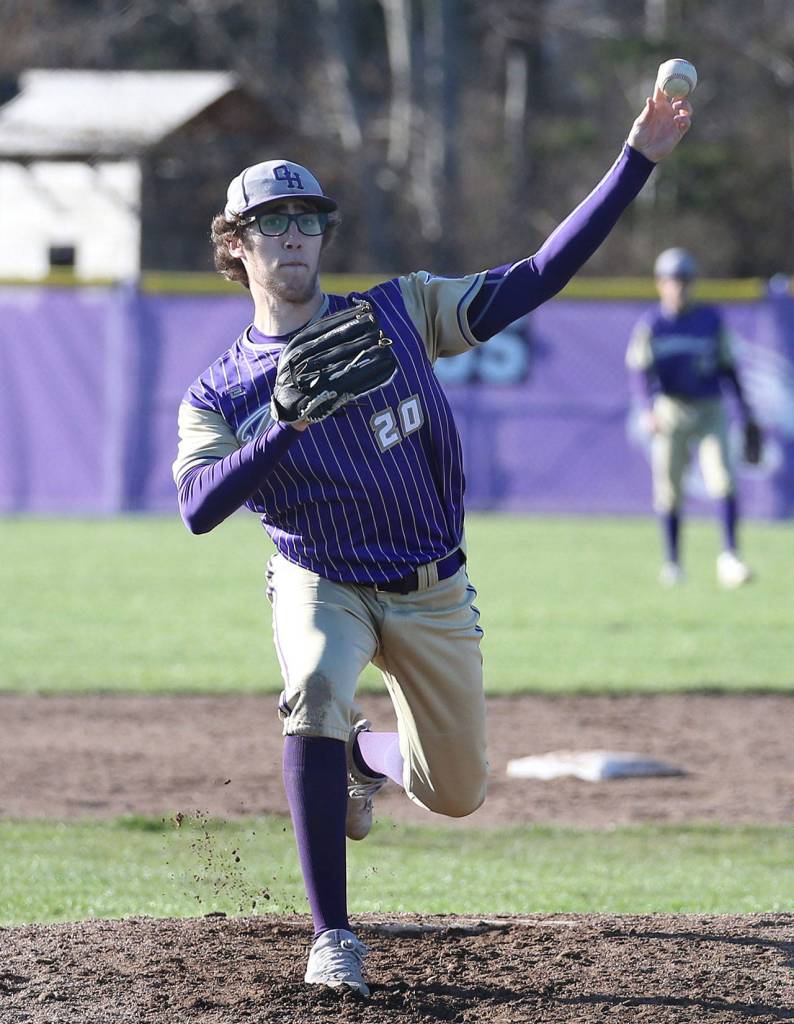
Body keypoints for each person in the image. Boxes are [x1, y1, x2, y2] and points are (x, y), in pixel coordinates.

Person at [172, 86, 691, 996]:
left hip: (432, 585)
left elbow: (536, 277)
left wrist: (635, 161)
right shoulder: (219, 393)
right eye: (272, 222)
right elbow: (198, 509)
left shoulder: (399, 311)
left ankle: (364, 760)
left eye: (307, 218)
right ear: (236, 243)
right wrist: (282, 427)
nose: (294, 235)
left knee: (457, 793)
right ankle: (333, 936)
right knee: (315, 689)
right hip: (319, 576)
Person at [626, 247, 757, 588]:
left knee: (723, 480)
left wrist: (746, 412)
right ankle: (673, 563)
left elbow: (729, 368)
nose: (680, 286)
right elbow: (639, 371)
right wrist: (647, 408)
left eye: (685, 280)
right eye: (673, 280)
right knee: (669, 489)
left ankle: (730, 556)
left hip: (709, 406)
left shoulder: (710, 320)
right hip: (671, 408)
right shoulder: (653, 324)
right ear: (660, 283)